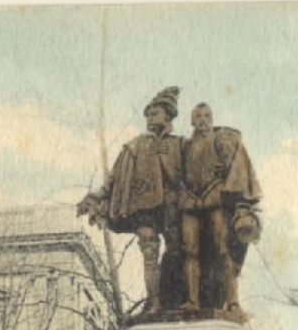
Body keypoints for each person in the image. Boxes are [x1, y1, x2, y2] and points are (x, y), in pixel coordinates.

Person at [77, 87, 183, 314]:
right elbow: (113, 178)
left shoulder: (180, 144)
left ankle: (175, 298)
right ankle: (154, 303)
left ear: (168, 114)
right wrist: (97, 195)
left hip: (174, 207)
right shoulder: (135, 145)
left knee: (177, 251)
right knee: (149, 253)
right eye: (147, 115)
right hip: (144, 208)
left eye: (154, 113)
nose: (149, 118)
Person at [179, 103, 262, 314]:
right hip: (189, 200)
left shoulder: (220, 139)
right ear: (191, 121)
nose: (203, 120)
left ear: (212, 118)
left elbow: (234, 168)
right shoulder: (186, 146)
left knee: (222, 246)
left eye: (207, 116)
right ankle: (192, 300)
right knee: (190, 250)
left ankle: (233, 299)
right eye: (198, 116)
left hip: (214, 198)